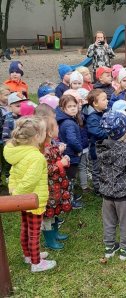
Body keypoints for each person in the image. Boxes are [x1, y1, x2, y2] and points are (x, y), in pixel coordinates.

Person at [3, 116, 56, 272]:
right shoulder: (36, 157)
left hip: (23, 200)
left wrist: (15, 193)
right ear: (36, 137)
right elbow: (29, 182)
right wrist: (19, 195)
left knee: (25, 228)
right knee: (34, 232)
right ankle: (36, 262)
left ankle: (28, 255)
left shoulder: (20, 152)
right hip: (34, 200)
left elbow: (13, 174)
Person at [98, 110, 126, 260]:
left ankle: (109, 248)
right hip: (124, 195)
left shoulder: (101, 147)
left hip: (106, 193)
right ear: (124, 131)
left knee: (109, 222)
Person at [41, 115, 71, 250]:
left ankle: (55, 234)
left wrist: (61, 155)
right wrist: (60, 163)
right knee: (48, 214)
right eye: (56, 126)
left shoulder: (52, 145)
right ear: (49, 132)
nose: (59, 128)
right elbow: (45, 169)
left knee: (54, 211)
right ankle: (50, 240)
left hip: (56, 187)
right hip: (49, 189)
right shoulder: (43, 150)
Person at [56, 94, 83, 209]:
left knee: (69, 178)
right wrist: (79, 149)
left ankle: (70, 196)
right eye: (69, 106)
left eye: (74, 106)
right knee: (70, 179)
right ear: (63, 109)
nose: (73, 108)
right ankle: (70, 202)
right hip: (71, 155)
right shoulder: (69, 123)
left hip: (68, 153)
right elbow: (72, 140)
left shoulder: (66, 120)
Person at [83, 89, 108, 195]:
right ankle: (98, 189)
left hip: (103, 146)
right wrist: (110, 133)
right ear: (95, 103)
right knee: (97, 168)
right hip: (96, 147)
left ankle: (105, 186)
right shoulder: (92, 117)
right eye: (104, 99)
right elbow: (96, 132)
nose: (107, 101)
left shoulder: (102, 112)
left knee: (104, 168)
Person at [0, 85, 10, 187]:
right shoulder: (1, 109)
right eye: (5, 95)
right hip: (2, 136)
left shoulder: (10, 106)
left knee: (7, 158)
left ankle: (7, 175)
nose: (8, 97)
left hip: (7, 136)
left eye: (9, 94)